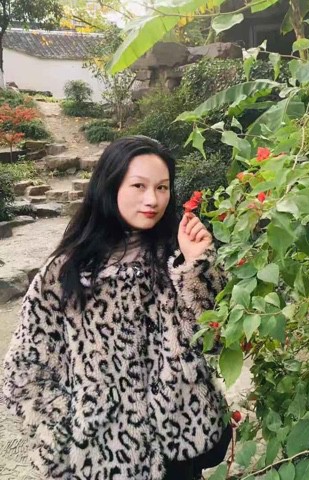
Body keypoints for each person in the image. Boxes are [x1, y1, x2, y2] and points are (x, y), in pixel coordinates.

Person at [3, 136, 232, 479]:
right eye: (139, 185)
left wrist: (198, 267)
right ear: (109, 187)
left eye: (162, 187)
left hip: (179, 455)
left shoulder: (176, 259)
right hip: (102, 463)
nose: (152, 199)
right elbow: (23, 374)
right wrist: (66, 436)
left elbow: (217, 341)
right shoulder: (65, 273)